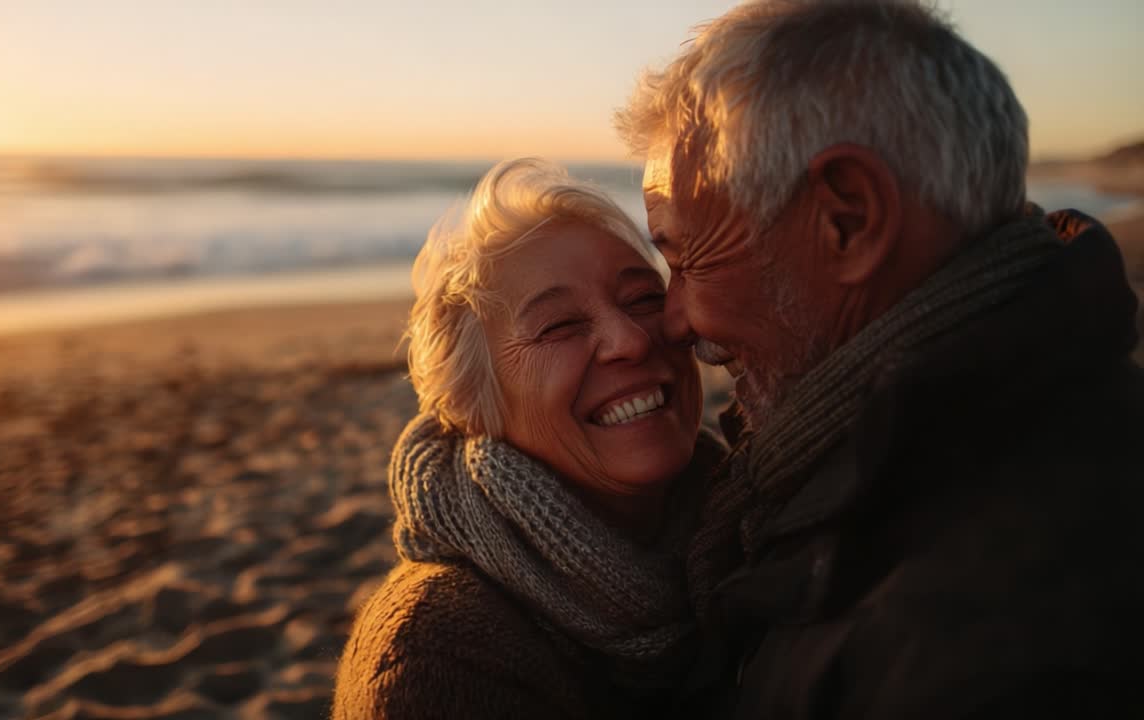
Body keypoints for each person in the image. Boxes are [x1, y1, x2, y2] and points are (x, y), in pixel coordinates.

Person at [616, 0, 1144, 716]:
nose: (673, 321)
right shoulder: (1032, 422)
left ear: (850, 220)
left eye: (687, 258)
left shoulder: (984, 654)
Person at [331, 158, 724, 719]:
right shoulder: (437, 654)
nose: (629, 341)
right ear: (472, 407)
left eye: (643, 299)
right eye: (559, 325)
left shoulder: (759, 527)